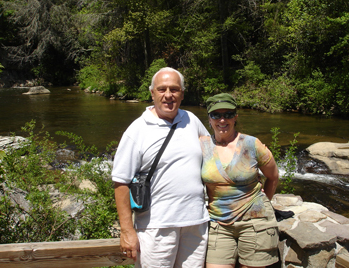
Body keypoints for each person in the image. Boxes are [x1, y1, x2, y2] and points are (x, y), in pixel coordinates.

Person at [112, 67, 210, 268]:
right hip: (156, 227)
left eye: (174, 89)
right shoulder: (137, 130)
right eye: (162, 89)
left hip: (195, 224)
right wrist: (127, 230)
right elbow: (121, 182)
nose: (168, 95)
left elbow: (214, 158)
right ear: (152, 93)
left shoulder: (192, 120)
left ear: (182, 94)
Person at [200, 93, 280, 268]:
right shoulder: (202, 146)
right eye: (217, 115)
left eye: (228, 115)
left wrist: (264, 201)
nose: (222, 120)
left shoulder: (252, 144)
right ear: (209, 119)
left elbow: (273, 176)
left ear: (235, 117)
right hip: (218, 224)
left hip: (255, 221)